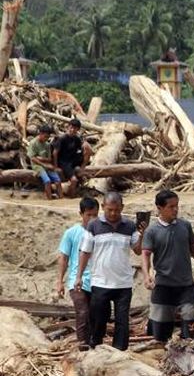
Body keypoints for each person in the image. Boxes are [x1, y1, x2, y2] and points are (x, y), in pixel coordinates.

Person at [74, 192, 144, 351]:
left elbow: (138, 251)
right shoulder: (93, 226)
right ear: (103, 207)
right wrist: (78, 276)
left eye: (117, 210)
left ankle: (120, 351)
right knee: (98, 318)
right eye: (109, 210)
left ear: (122, 208)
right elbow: (85, 252)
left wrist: (142, 234)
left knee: (122, 320)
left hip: (123, 283)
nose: (113, 213)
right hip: (100, 282)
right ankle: (96, 347)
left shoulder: (129, 226)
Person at [141, 189, 194, 344]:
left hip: (186, 286)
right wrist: (146, 275)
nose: (175, 209)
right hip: (163, 286)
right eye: (171, 206)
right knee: (160, 333)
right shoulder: (152, 231)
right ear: (159, 208)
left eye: (177, 206)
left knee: (191, 325)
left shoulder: (185, 226)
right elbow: (145, 255)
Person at [57, 197, 99, 350]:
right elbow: (64, 257)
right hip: (77, 280)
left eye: (95, 215)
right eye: (89, 215)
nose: (92, 218)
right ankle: (83, 346)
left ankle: (94, 345)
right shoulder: (71, 233)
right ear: (81, 214)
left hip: (97, 281)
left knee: (96, 315)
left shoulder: (101, 232)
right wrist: (60, 281)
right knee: (82, 312)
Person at [54, 118, 90, 197]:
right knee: (74, 180)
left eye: (75, 128)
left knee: (87, 148)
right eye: (72, 127)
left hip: (72, 160)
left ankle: (82, 169)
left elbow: (81, 149)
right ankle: (72, 195)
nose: (73, 130)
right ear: (68, 127)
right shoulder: (62, 139)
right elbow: (55, 153)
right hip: (64, 162)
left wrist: (85, 147)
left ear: (78, 130)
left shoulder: (76, 139)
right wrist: (56, 167)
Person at [28, 124, 63, 200]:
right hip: (37, 166)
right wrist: (43, 163)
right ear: (40, 134)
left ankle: (61, 198)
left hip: (46, 165)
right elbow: (32, 158)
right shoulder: (33, 143)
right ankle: (49, 199)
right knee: (47, 181)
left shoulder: (47, 145)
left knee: (58, 180)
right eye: (45, 136)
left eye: (47, 137)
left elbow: (49, 159)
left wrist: (41, 158)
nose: (46, 139)